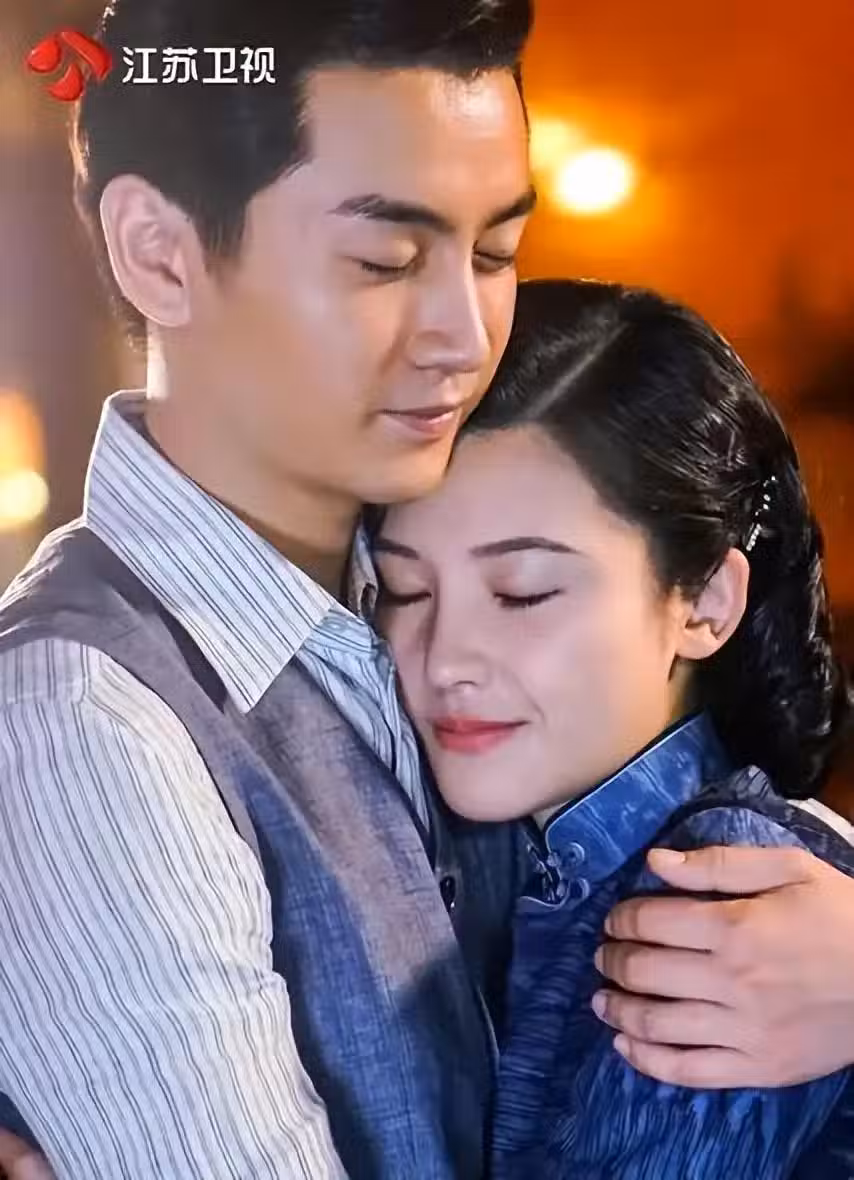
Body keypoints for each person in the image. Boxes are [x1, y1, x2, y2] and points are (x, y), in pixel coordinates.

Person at [3, 0, 854, 1176]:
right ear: (158, 252)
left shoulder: (395, 616)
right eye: (386, 261)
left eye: (495, 254)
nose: (464, 333)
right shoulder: (86, 710)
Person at [373, 278, 854, 1176]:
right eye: (403, 589)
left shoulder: (719, 898)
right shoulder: (515, 861)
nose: (443, 659)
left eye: (522, 592)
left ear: (705, 603)